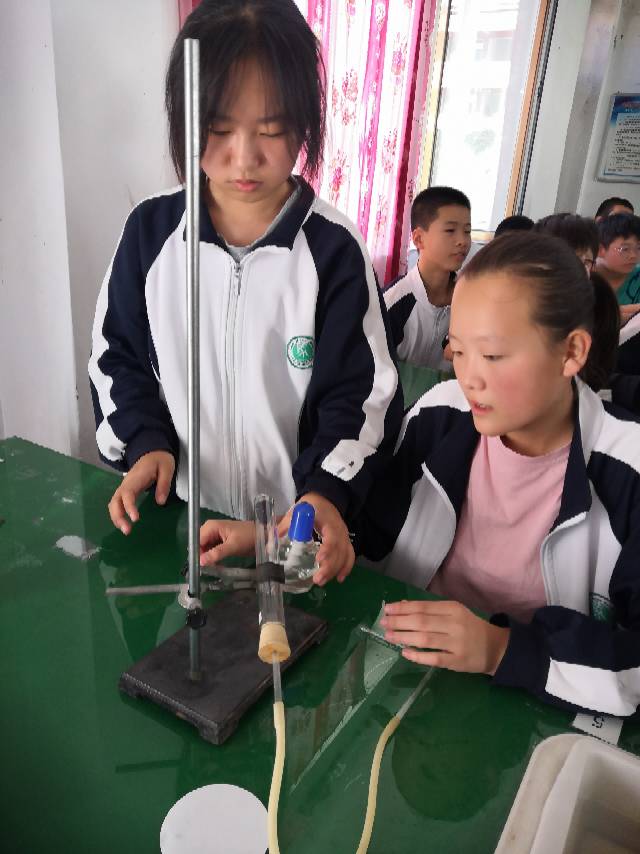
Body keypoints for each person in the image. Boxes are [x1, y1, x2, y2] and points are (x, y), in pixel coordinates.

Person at [89, 0, 403, 584]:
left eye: (272, 130)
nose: (245, 157)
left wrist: (325, 492)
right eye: (218, 129)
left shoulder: (333, 250)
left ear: (304, 123)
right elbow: (116, 358)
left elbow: (363, 395)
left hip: (292, 535)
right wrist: (145, 442)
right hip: (181, 526)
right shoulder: (151, 235)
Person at [351, 233, 640, 717]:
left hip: (539, 704)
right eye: (459, 351)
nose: (470, 378)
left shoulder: (628, 468)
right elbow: (371, 533)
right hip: (409, 677)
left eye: (492, 355)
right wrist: (305, 542)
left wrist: (501, 649)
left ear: (572, 351)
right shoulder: (440, 415)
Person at [382, 187, 471, 369]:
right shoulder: (392, 302)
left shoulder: (471, 300)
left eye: (467, 231)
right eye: (450, 230)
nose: (462, 241)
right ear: (419, 239)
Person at [596, 213, 640, 327]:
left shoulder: (638, 277)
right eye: (625, 249)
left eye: (639, 248)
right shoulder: (583, 276)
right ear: (600, 249)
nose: (633, 255)